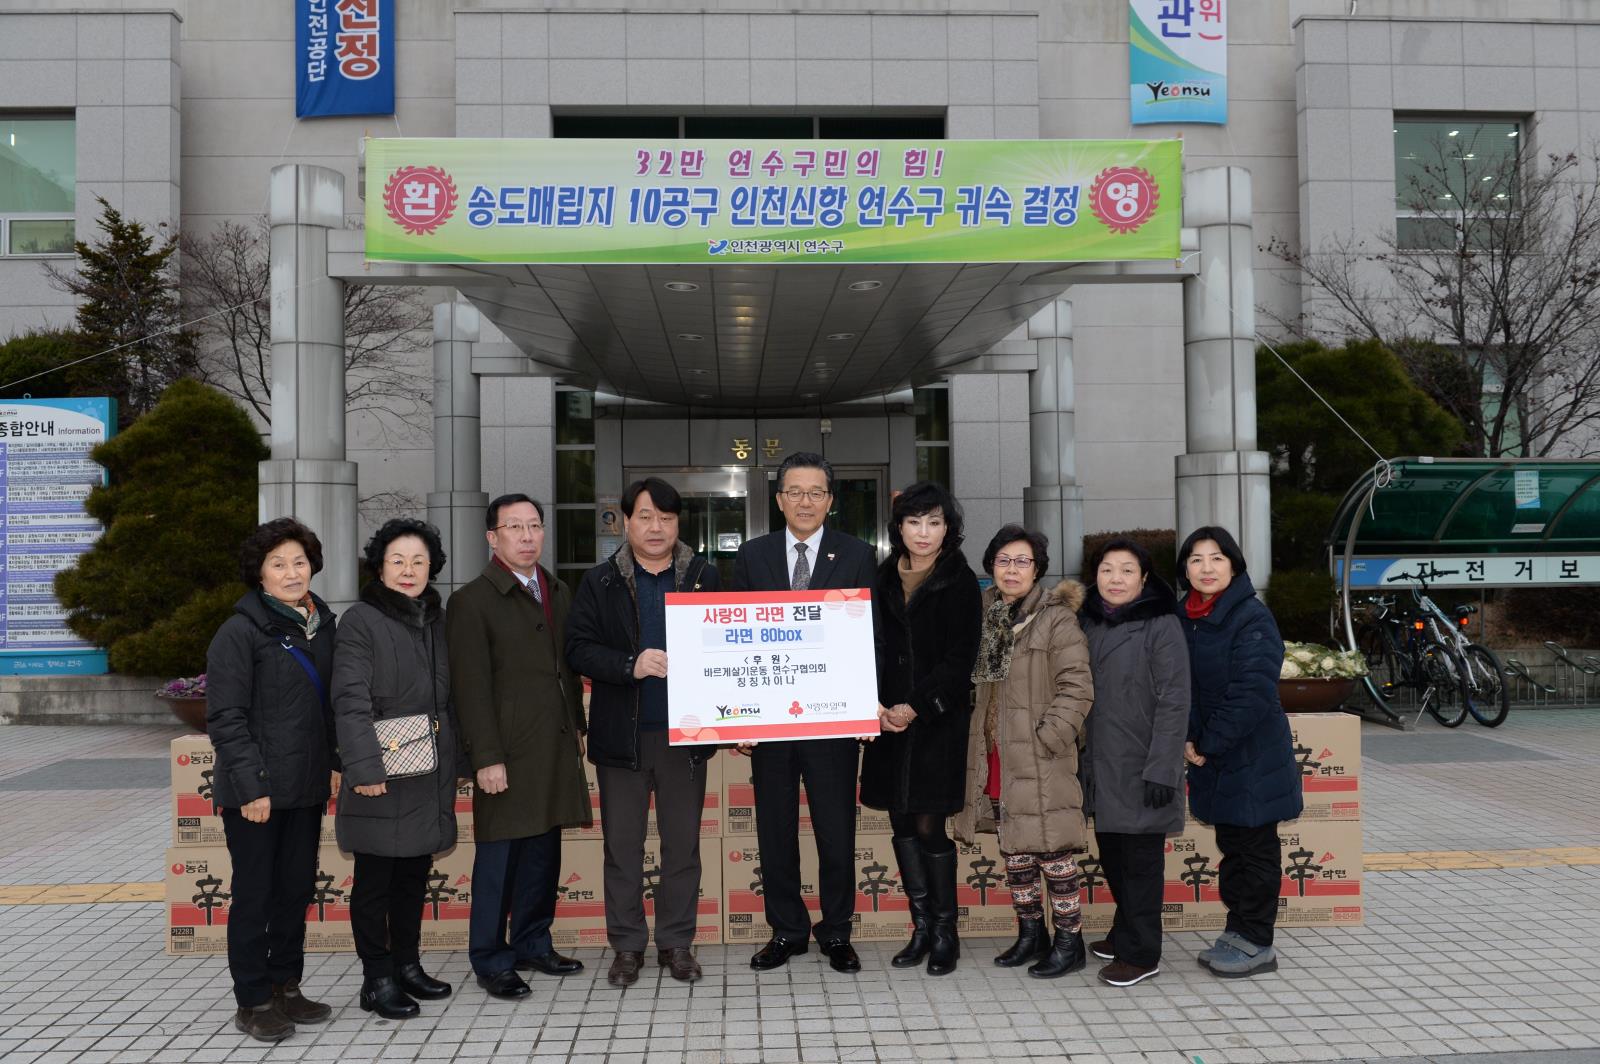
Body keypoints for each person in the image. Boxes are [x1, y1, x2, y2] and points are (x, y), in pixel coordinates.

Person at [566, 477, 720, 988]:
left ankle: (677, 943)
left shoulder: (704, 576)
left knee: (682, 847)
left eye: (668, 518)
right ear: (625, 520)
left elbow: (731, 650)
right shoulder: (600, 581)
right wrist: (630, 664)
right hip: (622, 738)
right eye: (646, 517)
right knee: (622, 848)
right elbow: (579, 649)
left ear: (680, 524)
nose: (657, 528)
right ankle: (627, 946)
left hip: (686, 738)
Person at [731, 451, 877, 974]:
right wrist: (741, 717)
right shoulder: (752, 555)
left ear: (831, 501)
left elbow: (871, 637)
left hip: (833, 721)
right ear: (778, 500)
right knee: (775, 829)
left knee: (836, 831)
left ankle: (836, 931)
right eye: (795, 491)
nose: (805, 501)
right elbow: (736, 642)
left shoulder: (858, 555)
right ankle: (787, 930)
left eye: (816, 492)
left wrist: (865, 706)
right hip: (770, 724)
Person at [449, 494, 591, 1000]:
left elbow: (566, 668)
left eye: (534, 526)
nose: (527, 536)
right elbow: (469, 688)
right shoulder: (470, 602)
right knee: (499, 859)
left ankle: (533, 941)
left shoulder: (556, 589)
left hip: (551, 745)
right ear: (493, 537)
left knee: (542, 851)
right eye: (514, 527)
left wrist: (577, 724)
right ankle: (490, 958)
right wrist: (486, 757)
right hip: (505, 753)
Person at [205, 518, 338, 1042]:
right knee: (256, 895)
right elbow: (226, 718)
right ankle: (253, 999)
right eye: (278, 564)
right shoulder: (239, 632)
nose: (291, 572)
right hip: (255, 792)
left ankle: (286, 985)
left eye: (299, 562)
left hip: (305, 786)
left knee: (294, 891)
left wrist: (334, 765)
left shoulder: (322, 624)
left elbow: (329, 707)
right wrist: (253, 785)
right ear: (259, 574)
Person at [953, 524, 1093, 979]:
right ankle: (1032, 933)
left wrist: (1049, 737)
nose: (1012, 570)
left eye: (1022, 562)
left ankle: (1070, 941)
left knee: (1052, 850)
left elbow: (1077, 688)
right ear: (990, 566)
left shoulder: (1056, 618)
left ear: (1038, 570)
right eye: (1003, 561)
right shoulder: (985, 613)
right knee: (1015, 849)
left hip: (1039, 752)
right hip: (995, 752)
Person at [332, 519, 460, 1019]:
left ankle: (408, 964)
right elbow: (349, 700)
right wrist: (364, 768)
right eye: (398, 561)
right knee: (375, 881)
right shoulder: (361, 621)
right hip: (381, 771)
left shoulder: (435, 620)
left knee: (413, 875)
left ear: (433, 568)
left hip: (428, 769)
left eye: (419, 562)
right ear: (380, 567)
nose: (409, 571)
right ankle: (376, 978)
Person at [860, 481, 980, 977]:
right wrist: (874, 704)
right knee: (901, 824)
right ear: (899, 528)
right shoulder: (883, 577)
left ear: (947, 528)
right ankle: (921, 928)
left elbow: (961, 660)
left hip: (935, 724)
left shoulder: (961, 579)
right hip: (886, 722)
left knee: (931, 825)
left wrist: (915, 706)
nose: (923, 532)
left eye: (934, 522)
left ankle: (946, 932)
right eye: (914, 522)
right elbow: (866, 648)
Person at [1178, 526, 1302, 978]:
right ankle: (1238, 929)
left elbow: (1251, 692)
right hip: (1212, 755)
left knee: (1254, 850)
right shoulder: (1184, 616)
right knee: (1233, 846)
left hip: (1251, 756)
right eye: (1195, 559)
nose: (1206, 567)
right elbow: (1181, 687)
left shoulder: (1251, 616)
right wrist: (1191, 739)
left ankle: (1258, 942)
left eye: (1216, 557)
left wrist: (1206, 743)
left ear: (1234, 564)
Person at [1078, 537, 1190, 987]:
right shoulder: (1088, 623)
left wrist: (1163, 767)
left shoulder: (1161, 624)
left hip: (1143, 764)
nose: (1116, 579)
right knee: (1114, 856)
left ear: (1144, 578)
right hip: (1101, 764)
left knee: (1140, 865)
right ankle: (1125, 931)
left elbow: (1175, 699)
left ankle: (1142, 954)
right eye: (1107, 569)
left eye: (1127, 570)